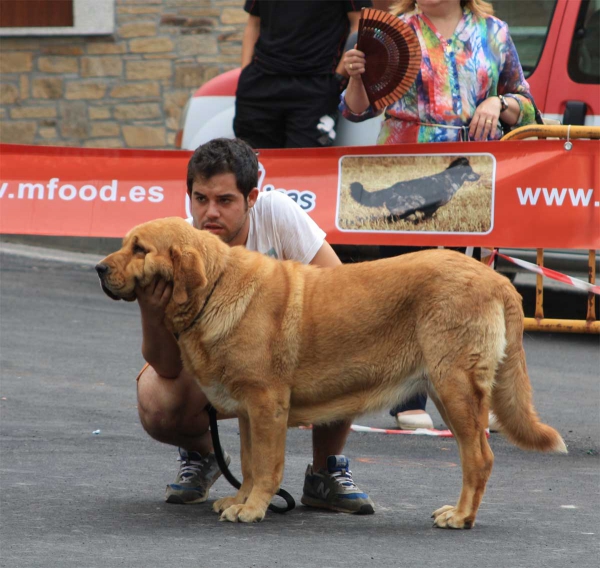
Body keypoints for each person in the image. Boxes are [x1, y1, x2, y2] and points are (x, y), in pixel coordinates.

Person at [135, 138, 374, 515]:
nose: (210, 213)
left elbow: (342, 295)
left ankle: (324, 470)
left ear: (251, 198)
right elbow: (167, 367)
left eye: (225, 201)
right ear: (189, 197)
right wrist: (151, 311)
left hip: (290, 360)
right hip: (222, 375)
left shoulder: (277, 213)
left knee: (344, 339)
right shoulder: (176, 245)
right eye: (200, 199)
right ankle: (208, 456)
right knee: (155, 399)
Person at [340, 0, 537, 428]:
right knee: (407, 285)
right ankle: (408, 398)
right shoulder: (392, 32)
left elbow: (528, 104)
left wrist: (498, 102)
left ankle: (471, 395)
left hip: (468, 172)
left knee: (469, 288)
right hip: (405, 169)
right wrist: (357, 76)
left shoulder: (495, 33)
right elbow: (357, 109)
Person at [233, 0, 372, 149]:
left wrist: (338, 79)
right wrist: (245, 72)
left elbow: (360, 24)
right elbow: (254, 22)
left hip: (315, 87)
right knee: (254, 166)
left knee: (305, 166)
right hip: (260, 84)